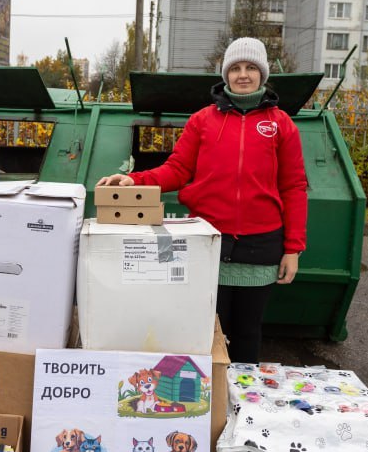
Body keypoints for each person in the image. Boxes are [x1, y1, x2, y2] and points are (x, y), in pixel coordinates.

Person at [96, 37, 308, 363]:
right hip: (209, 240)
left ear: (262, 74)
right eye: (235, 68)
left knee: (248, 332)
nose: (243, 75)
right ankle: (210, 392)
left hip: (262, 245)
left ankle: (239, 390)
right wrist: (135, 180)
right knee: (206, 331)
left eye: (251, 67)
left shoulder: (282, 125)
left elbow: (293, 187)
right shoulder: (202, 120)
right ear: (226, 74)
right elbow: (177, 169)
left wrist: (292, 249)